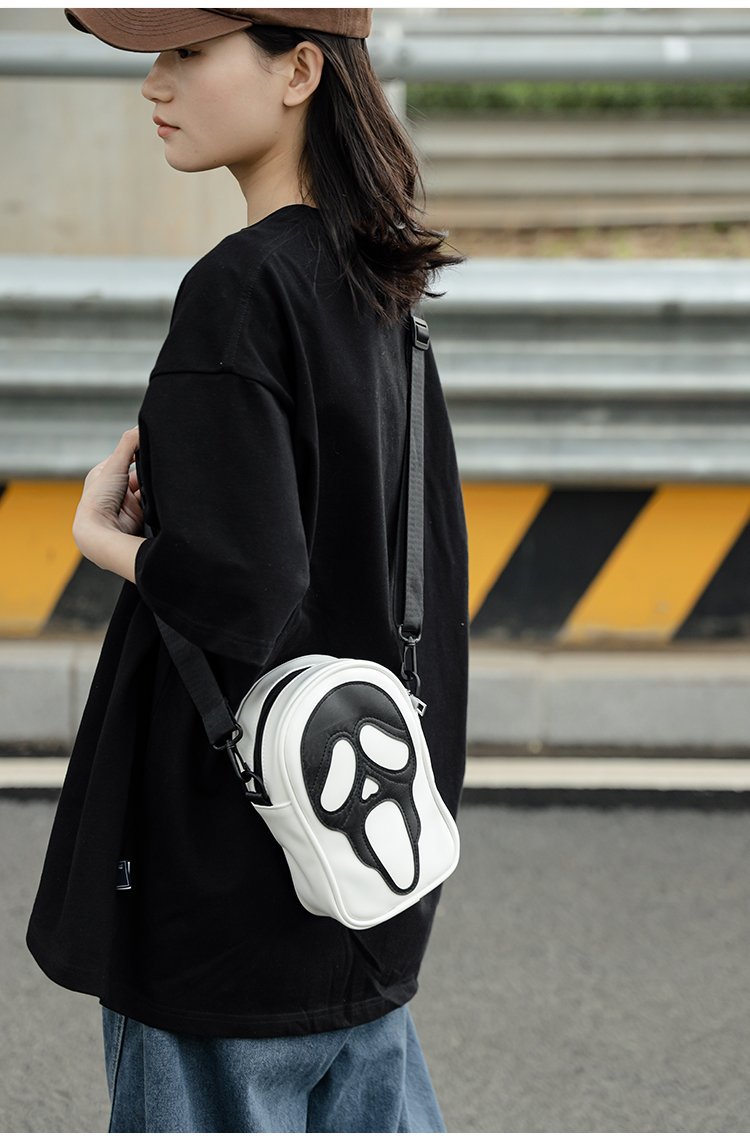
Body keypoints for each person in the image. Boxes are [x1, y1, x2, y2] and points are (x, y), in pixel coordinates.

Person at [27, 7, 469, 1133]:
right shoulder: (380, 283)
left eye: (189, 53)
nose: (154, 84)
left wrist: (106, 539)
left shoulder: (239, 288)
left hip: (229, 886)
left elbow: (243, 591)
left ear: (299, 70)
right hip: (358, 869)